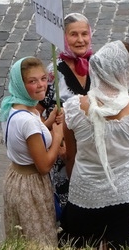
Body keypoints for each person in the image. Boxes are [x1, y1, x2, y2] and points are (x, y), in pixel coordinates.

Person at [61, 41, 129, 249]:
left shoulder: (73, 108)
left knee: (82, 244)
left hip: (85, 191)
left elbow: (71, 156)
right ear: (125, 72)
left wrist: (77, 180)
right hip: (124, 192)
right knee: (119, 242)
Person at [0, 57, 64, 245]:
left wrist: (49, 121)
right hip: (30, 186)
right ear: (21, 84)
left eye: (43, 78)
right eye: (32, 81)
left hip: (16, 179)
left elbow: (30, 136)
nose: (41, 85)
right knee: (38, 241)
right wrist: (57, 136)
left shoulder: (19, 107)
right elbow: (43, 166)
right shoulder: (27, 121)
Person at [39, 13, 93, 215]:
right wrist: (56, 140)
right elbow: (38, 113)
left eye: (84, 34)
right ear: (64, 38)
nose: (80, 40)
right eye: (73, 34)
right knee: (70, 211)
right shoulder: (53, 72)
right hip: (66, 156)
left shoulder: (97, 65)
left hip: (95, 153)